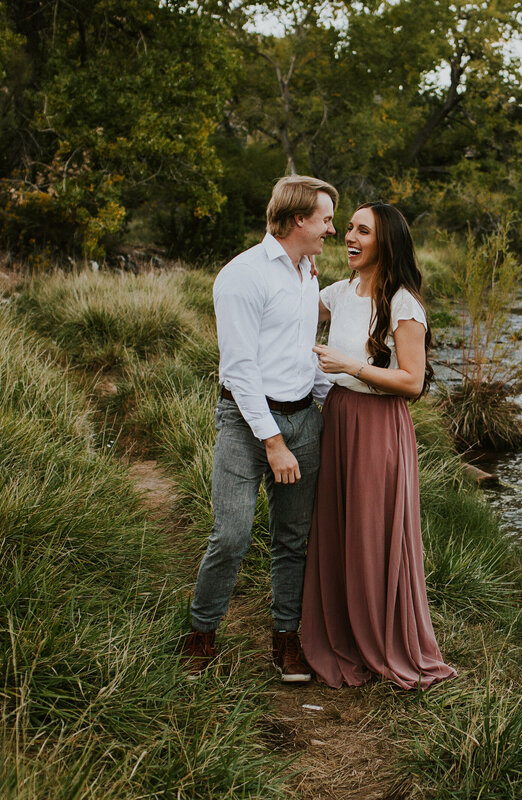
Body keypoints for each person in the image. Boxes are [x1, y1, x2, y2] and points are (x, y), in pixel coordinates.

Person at [182, 175, 337, 682]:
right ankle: (201, 633)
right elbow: (241, 368)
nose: (331, 230)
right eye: (326, 219)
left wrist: (332, 404)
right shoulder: (243, 275)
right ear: (298, 219)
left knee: (294, 539)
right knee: (231, 534)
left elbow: (301, 353)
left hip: (303, 420)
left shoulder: (307, 273)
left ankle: (286, 639)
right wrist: (272, 441)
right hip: (246, 423)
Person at [301, 202, 456, 690]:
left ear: (385, 242)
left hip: (378, 426)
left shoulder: (404, 304)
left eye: (362, 230)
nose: (349, 236)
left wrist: (350, 365)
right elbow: (290, 309)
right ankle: (340, 630)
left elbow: (412, 382)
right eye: (348, 227)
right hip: (338, 418)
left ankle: (382, 638)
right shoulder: (339, 292)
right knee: (339, 525)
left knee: (371, 530)